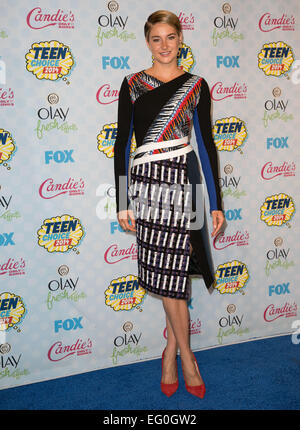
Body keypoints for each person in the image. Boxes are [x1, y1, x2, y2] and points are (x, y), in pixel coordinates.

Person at [114, 10, 224, 399]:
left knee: (177, 269)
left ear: (181, 39)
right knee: (166, 271)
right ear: (147, 42)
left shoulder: (196, 85)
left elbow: (207, 145)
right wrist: (123, 199)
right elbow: (120, 145)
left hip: (185, 180)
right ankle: (184, 356)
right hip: (147, 185)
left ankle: (174, 352)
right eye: (156, 39)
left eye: (170, 37)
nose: (164, 46)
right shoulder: (131, 84)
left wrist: (216, 202)